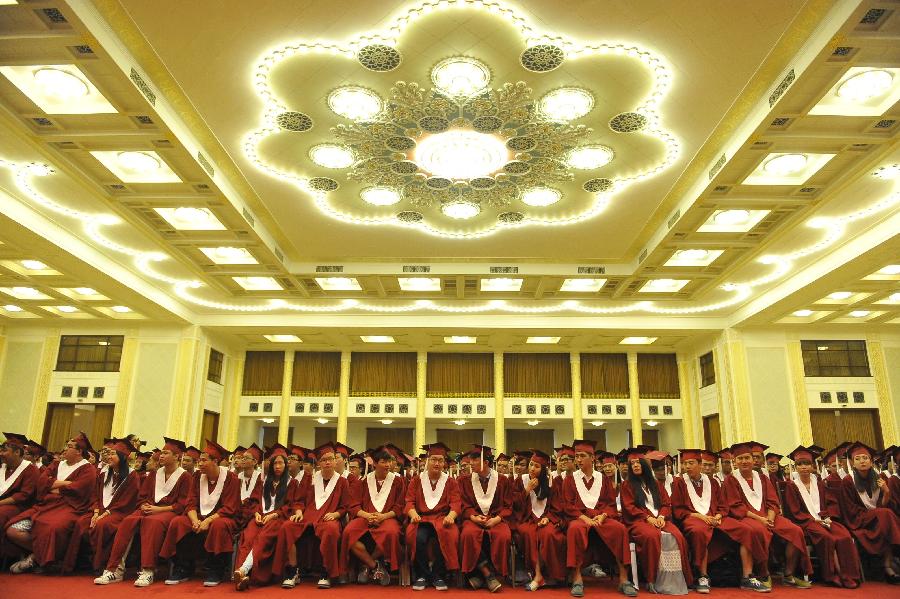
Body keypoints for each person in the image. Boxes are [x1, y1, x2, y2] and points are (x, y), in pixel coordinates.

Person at [95, 436, 191, 586]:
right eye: (162, 453)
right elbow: (142, 497)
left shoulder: (185, 477)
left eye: (166, 453)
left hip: (169, 512)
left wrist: (159, 509)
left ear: (177, 456)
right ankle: (115, 570)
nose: (161, 456)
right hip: (150, 510)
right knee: (128, 521)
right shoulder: (154, 474)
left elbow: (183, 504)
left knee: (152, 523)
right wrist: (143, 505)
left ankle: (148, 571)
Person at [670, 449, 767, 593]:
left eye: (691, 463)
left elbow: (723, 506)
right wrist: (701, 517)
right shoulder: (679, 483)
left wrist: (718, 516)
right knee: (699, 531)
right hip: (693, 518)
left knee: (746, 530)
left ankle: (747, 577)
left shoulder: (712, 482)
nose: (687, 466)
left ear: (699, 464)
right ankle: (703, 576)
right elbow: (679, 510)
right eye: (685, 464)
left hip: (716, 518)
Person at [721, 441, 812, 589]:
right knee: (758, 531)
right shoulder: (731, 480)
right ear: (735, 462)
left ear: (753, 459)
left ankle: (788, 574)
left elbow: (772, 501)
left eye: (747, 458)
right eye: (740, 459)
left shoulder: (762, 478)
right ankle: (764, 573)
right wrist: (760, 519)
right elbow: (736, 507)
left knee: (795, 531)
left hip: (768, 516)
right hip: (747, 517)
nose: (744, 461)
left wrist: (770, 517)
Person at [7, 432, 97, 574]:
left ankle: (39, 558)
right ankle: (39, 555)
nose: (65, 449)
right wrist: (65, 484)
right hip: (44, 506)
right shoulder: (56, 464)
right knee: (13, 530)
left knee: (53, 528)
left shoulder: (88, 469)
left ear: (79, 451)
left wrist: (53, 485)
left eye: (69, 446)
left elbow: (79, 489)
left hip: (70, 508)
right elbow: (42, 481)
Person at [161, 440, 240, 587]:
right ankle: (183, 567)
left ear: (215, 461)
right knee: (178, 522)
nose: (200, 464)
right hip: (198, 517)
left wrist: (207, 521)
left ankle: (215, 569)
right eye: (199, 461)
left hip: (224, 518)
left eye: (204, 460)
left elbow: (230, 508)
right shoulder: (197, 477)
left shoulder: (231, 479)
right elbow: (190, 502)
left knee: (219, 525)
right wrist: (195, 520)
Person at [563, 439, 635, 598]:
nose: (578, 459)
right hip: (580, 518)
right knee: (574, 528)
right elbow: (568, 506)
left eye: (582, 456)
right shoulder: (570, 480)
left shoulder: (603, 479)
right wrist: (585, 519)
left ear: (592, 458)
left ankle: (624, 579)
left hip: (601, 517)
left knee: (620, 529)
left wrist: (603, 516)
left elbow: (610, 503)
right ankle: (577, 578)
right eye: (576, 456)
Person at [275, 441, 351, 589]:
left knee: (331, 530)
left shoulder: (342, 482)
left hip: (328, 518)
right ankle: (293, 570)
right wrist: (297, 512)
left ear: (335, 461)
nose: (327, 462)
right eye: (323, 460)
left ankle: (326, 572)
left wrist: (336, 514)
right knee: (287, 526)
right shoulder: (309, 479)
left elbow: (345, 506)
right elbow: (299, 501)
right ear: (318, 463)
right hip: (307, 517)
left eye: (330, 459)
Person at [782, 446, 861, 588]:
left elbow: (831, 503)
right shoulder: (792, 486)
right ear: (796, 467)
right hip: (806, 522)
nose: (804, 467)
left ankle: (850, 575)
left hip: (824, 519)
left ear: (812, 466)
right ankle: (835, 575)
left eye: (807, 463)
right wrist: (813, 520)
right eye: (800, 464)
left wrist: (829, 516)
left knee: (843, 535)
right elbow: (794, 511)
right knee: (828, 538)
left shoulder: (819, 483)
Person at [620, 448, 692, 594]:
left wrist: (661, 517)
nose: (635, 466)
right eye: (632, 464)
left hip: (660, 519)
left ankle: (679, 579)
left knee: (678, 536)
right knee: (652, 537)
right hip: (638, 521)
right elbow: (629, 507)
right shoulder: (627, 485)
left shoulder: (656, 484)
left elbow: (666, 504)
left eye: (638, 463)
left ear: (645, 466)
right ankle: (652, 579)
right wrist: (647, 518)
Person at [65, 438, 140, 574]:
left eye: (113, 454)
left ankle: (99, 564)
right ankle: (78, 563)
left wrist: (103, 515)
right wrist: (95, 513)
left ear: (122, 458)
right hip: (99, 509)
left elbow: (127, 502)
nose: (109, 457)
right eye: (109, 453)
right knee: (81, 523)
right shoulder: (104, 473)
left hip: (118, 513)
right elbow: (95, 496)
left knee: (102, 525)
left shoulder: (132, 476)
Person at [233, 443, 297, 590]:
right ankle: (243, 576)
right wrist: (256, 512)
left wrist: (275, 514)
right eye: (275, 463)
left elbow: (290, 506)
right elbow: (255, 500)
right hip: (260, 516)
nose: (277, 466)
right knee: (248, 536)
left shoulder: (291, 483)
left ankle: (244, 570)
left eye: (281, 463)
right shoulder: (263, 482)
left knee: (262, 538)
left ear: (286, 465)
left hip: (277, 518)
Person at [835, 441, 900, 584]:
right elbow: (848, 509)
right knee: (886, 515)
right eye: (857, 459)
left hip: (878, 518)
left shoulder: (880, 478)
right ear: (852, 463)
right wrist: (874, 512)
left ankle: (888, 566)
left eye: (865, 458)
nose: (862, 462)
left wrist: (887, 492)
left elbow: (885, 504)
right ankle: (888, 566)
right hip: (858, 519)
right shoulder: (848, 481)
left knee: (885, 520)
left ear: (871, 461)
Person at [341, 446, 405, 585]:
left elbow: (400, 506)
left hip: (388, 518)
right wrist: (367, 515)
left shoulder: (398, 481)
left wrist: (384, 516)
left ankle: (365, 565)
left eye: (389, 461)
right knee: (348, 532)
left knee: (391, 532)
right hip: (365, 517)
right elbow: (354, 506)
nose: (388, 465)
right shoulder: (363, 482)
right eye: (383, 462)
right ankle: (374, 566)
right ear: (374, 463)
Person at [404, 442, 461, 591]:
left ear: (444, 463)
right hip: (421, 519)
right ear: (427, 461)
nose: (437, 463)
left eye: (440, 460)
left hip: (442, 519)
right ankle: (422, 575)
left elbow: (456, 503)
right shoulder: (416, 481)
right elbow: (409, 501)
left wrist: (451, 516)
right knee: (417, 537)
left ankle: (438, 575)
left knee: (449, 535)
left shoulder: (450, 482)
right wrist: (413, 513)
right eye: (434, 459)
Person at [458, 444, 512, 592]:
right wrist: (473, 517)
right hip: (474, 519)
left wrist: (497, 519)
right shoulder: (464, 480)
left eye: (475, 460)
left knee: (503, 536)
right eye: (471, 459)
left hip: (496, 518)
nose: (471, 463)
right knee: (468, 534)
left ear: (486, 463)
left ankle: (480, 576)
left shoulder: (503, 480)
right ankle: (488, 574)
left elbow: (508, 506)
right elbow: (463, 504)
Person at [515, 449, 566, 590]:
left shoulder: (553, 483)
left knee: (549, 534)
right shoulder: (522, 480)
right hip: (527, 519)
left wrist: (548, 519)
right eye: (531, 464)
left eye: (537, 466)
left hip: (547, 519)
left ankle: (548, 575)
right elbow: (514, 505)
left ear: (543, 469)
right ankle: (538, 575)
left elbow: (557, 506)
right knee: (529, 533)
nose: (532, 468)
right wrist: (526, 490)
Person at [0, 433, 39, 555]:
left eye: (4, 451)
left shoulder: (30, 470)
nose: (1, 454)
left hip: (21, 507)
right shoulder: (3, 468)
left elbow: (24, 495)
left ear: (17, 452)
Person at [237, 444, 263, 531]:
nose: (242, 460)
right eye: (242, 458)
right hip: (238, 510)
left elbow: (259, 500)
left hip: (253, 511)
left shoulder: (260, 478)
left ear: (255, 462)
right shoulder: (237, 477)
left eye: (246, 458)